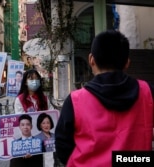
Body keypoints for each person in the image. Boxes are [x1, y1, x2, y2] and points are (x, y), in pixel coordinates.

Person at [55, 30, 154, 167]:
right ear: (127, 63)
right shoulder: (148, 93)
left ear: (91, 60)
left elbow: (62, 145)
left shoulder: (75, 101)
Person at [13, 69, 55, 167]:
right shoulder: (20, 100)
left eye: (36, 79)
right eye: (31, 79)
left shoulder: (44, 99)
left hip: (45, 143)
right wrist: (26, 147)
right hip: (27, 146)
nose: (34, 81)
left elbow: (52, 116)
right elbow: (22, 125)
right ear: (25, 82)